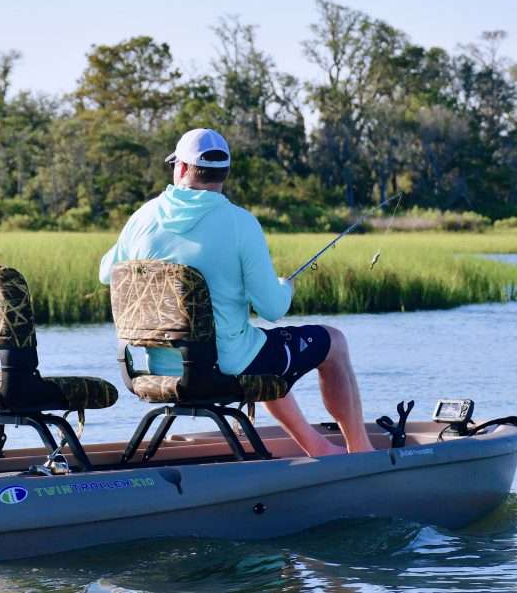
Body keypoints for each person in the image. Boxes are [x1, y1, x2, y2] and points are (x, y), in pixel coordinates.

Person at [99, 128, 374, 456]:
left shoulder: (142, 217)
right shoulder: (240, 223)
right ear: (223, 173)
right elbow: (273, 309)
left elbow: (107, 273)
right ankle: (361, 452)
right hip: (222, 365)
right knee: (334, 342)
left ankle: (319, 447)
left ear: (183, 169)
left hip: (149, 368)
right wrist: (285, 287)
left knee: (260, 346)